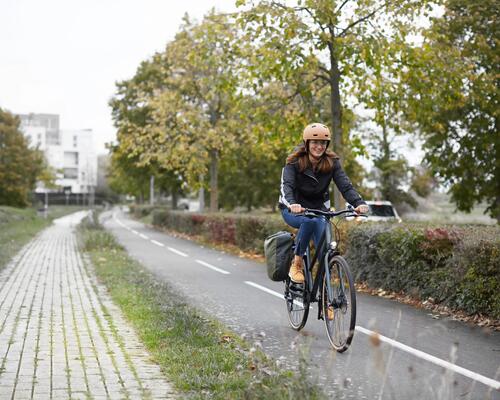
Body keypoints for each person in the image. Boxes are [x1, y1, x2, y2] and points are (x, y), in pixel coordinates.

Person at [279, 123, 368, 284]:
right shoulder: (294, 163)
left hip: (319, 210)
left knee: (325, 252)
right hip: (293, 210)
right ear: (307, 144)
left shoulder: (332, 163)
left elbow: (345, 186)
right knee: (308, 221)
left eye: (323, 143)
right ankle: (297, 263)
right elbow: (287, 188)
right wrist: (292, 204)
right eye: (315, 142)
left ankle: (327, 301)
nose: (319, 146)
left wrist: (358, 202)